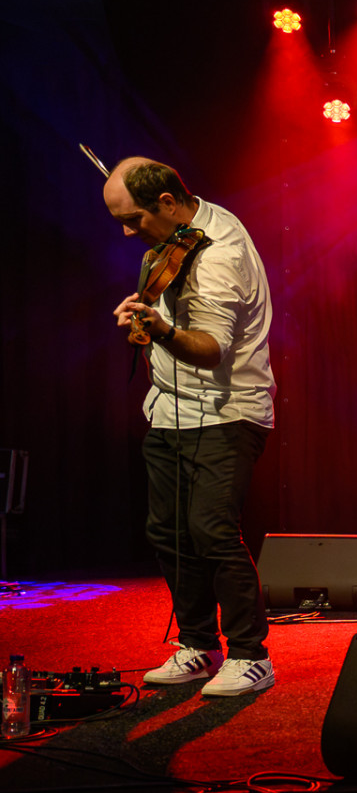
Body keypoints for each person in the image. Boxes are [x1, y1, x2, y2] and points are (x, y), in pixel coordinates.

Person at [108, 159, 278, 696]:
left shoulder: (221, 254)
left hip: (228, 410)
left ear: (166, 202)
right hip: (169, 408)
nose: (128, 233)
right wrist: (143, 319)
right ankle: (199, 645)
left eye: (133, 220)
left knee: (212, 530)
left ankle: (251, 656)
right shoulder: (178, 232)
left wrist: (160, 330)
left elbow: (210, 349)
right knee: (168, 532)